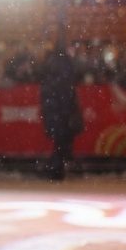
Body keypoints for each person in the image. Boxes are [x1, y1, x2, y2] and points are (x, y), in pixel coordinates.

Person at [38, 38, 82, 180]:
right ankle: (56, 168)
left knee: (61, 141)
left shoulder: (53, 63)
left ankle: (56, 168)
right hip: (62, 109)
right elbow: (66, 87)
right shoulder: (63, 64)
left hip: (56, 109)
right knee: (62, 141)